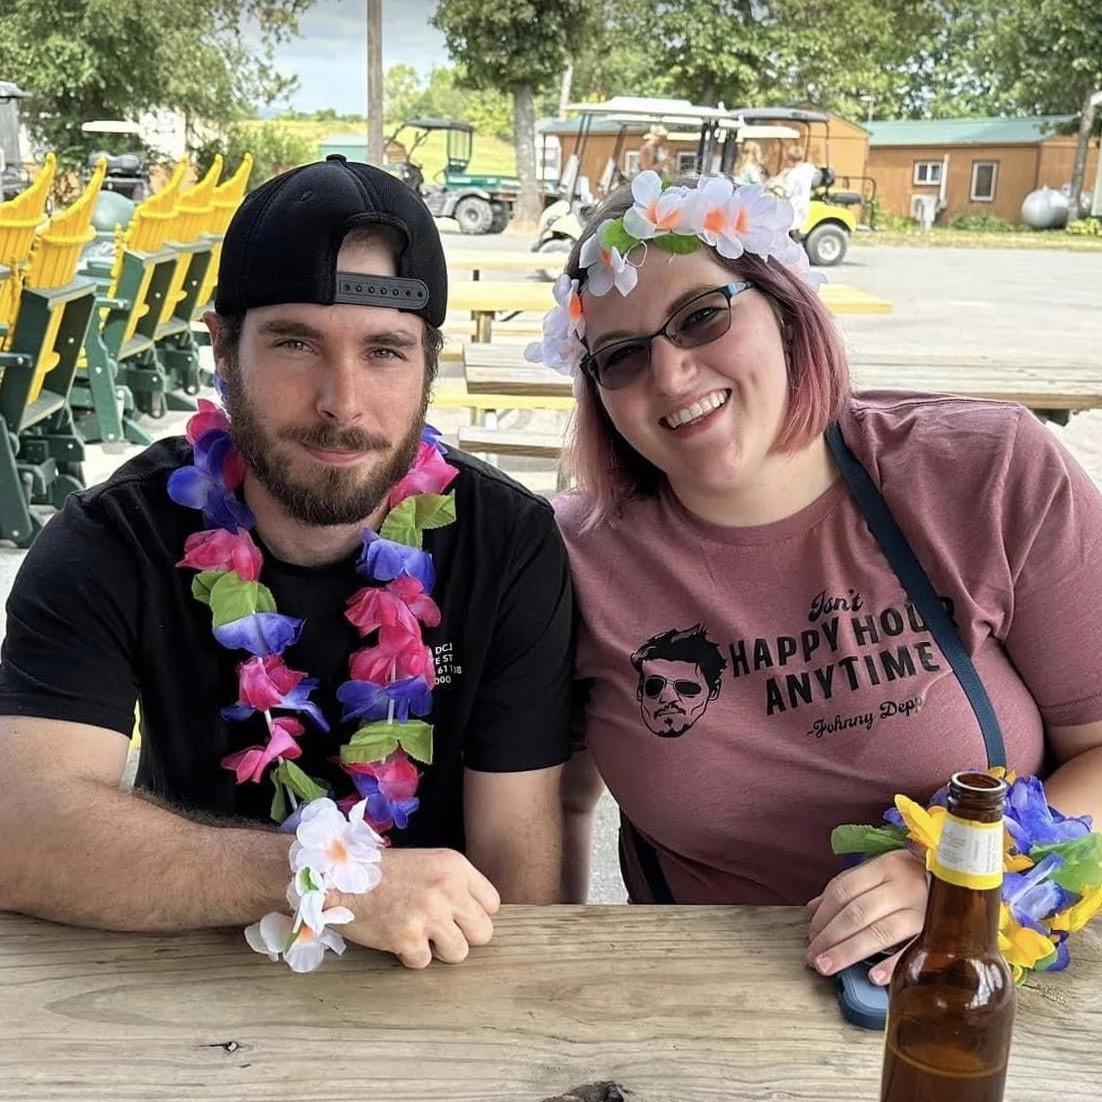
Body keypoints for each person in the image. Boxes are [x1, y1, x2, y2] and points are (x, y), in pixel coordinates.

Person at [0, 156, 574, 970]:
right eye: (297, 342)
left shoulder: (507, 543)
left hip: (437, 978)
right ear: (223, 348)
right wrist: (321, 878)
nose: (342, 402)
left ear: (428, 367)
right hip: (182, 978)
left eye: (384, 351)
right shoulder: (110, 540)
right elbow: (20, 828)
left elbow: (521, 870)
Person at [536, 169, 1102, 985]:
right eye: (620, 358)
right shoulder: (569, 557)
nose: (668, 374)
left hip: (982, 982)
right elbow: (556, 800)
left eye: (700, 317)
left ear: (787, 304)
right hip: (702, 1000)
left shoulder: (984, 471)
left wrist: (966, 875)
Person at [774, 142, 817, 237]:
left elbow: (787, 191)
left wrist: (778, 186)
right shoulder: (808, 169)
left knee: (789, 235)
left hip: (792, 208)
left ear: (790, 159)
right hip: (803, 206)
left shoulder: (792, 175)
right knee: (797, 231)